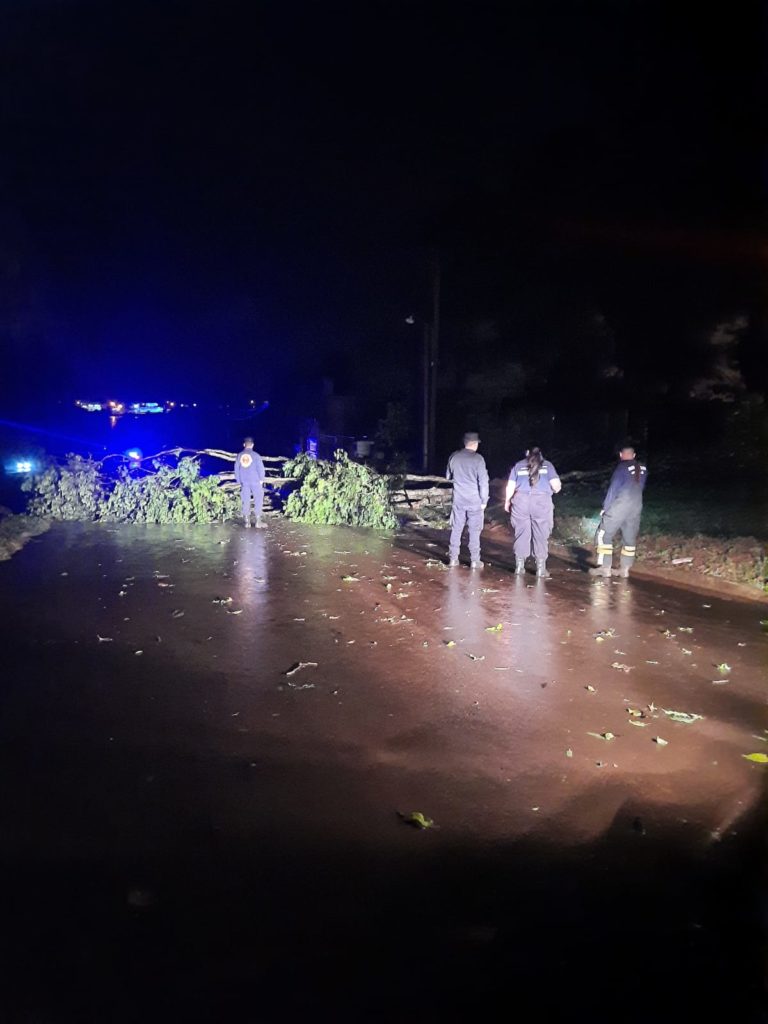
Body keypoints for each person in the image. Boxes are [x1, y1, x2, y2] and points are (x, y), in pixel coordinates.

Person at [590, 444, 647, 578]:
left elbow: (613, 489)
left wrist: (605, 508)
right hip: (636, 506)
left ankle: (605, 568)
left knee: (603, 534)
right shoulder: (643, 468)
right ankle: (625, 569)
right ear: (634, 455)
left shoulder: (621, 468)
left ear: (621, 455)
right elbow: (640, 487)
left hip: (620, 505)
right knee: (629, 538)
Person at [505, 447, 561, 578]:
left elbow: (510, 486)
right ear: (541, 453)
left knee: (521, 532)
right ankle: (541, 569)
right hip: (541, 502)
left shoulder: (518, 466)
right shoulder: (548, 466)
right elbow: (557, 487)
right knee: (541, 533)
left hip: (521, 502)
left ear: (526, 453)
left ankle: (519, 567)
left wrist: (507, 501)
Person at [445, 431, 489, 569]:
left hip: (459, 499)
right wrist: (484, 501)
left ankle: (453, 559)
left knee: (456, 528)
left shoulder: (454, 457)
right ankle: (475, 560)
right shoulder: (479, 459)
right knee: (474, 531)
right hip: (474, 501)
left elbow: (447, 476)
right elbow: (483, 482)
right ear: (475, 444)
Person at [234, 437, 266, 528]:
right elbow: (261, 469)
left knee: (245, 500)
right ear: (252, 445)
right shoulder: (256, 455)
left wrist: (239, 480)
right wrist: (261, 479)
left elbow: (236, 469)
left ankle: (247, 522)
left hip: (244, 481)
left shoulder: (239, 455)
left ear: (244, 445)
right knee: (258, 499)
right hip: (255, 481)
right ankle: (258, 521)